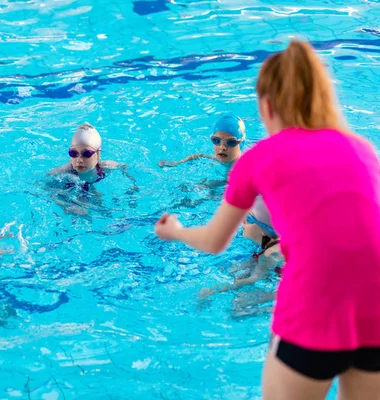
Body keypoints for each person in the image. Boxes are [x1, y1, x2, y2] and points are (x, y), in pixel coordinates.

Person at [155, 40, 380, 399]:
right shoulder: (363, 150)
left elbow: (215, 242)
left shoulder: (261, 158)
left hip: (314, 310)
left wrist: (178, 231)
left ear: (267, 105)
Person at [47, 123, 137, 215]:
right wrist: (65, 205)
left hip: (89, 186)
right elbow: (44, 187)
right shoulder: (65, 171)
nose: (79, 160)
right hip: (69, 188)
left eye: (86, 154)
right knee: (82, 213)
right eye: (74, 153)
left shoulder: (105, 166)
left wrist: (132, 186)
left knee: (104, 210)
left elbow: (124, 166)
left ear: (98, 155)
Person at [158, 114, 246, 168]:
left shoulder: (246, 165)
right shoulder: (221, 156)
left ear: (241, 143)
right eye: (216, 141)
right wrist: (176, 163)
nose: (222, 148)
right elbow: (198, 155)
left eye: (231, 142)